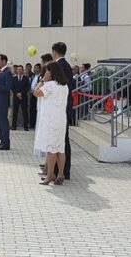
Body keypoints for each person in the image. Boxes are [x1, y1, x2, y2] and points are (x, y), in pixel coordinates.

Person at [33, 61, 70, 186]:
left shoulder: (50, 85)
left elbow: (35, 92)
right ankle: (60, 173)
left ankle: (50, 175)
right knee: (60, 147)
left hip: (50, 120)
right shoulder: (64, 86)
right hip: (61, 119)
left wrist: (43, 80)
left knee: (51, 148)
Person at [50, 42, 75, 179]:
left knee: (60, 140)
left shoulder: (59, 66)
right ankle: (61, 170)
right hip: (63, 107)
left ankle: (61, 171)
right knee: (62, 140)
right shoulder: (66, 65)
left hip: (60, 108)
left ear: (54, 52)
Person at [11, 65, 29, 131]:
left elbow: (27, 88)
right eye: (18, 69)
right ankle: (14, 126)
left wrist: (21, 93)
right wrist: (17, 93)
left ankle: (26, 127)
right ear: (17, 70)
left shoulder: (26, 78)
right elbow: (12, 87)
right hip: (16, 97)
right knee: (15, 112)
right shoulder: (14, 78)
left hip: (23, 97)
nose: (19, 70)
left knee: (25, 112)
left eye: (21, 69)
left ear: (23, 70)